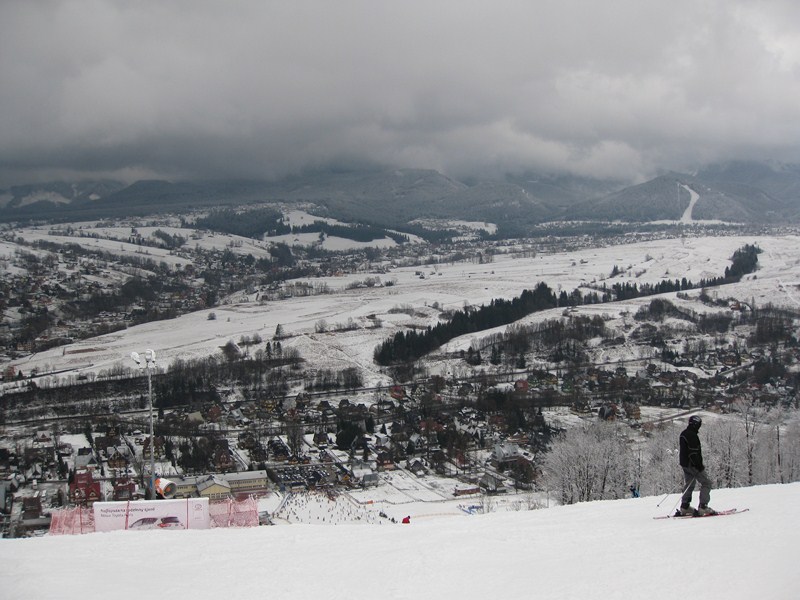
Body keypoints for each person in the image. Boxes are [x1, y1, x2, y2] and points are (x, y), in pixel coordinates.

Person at [678, 415, 715, 516]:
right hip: (693, 465)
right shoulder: (692, 435)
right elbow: (693, 453)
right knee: (707, 483)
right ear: (696, 424)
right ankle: (703, 506)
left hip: (685, 464)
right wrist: (699, 465)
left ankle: (685, 506)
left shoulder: (684, 433)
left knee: (690, 484)